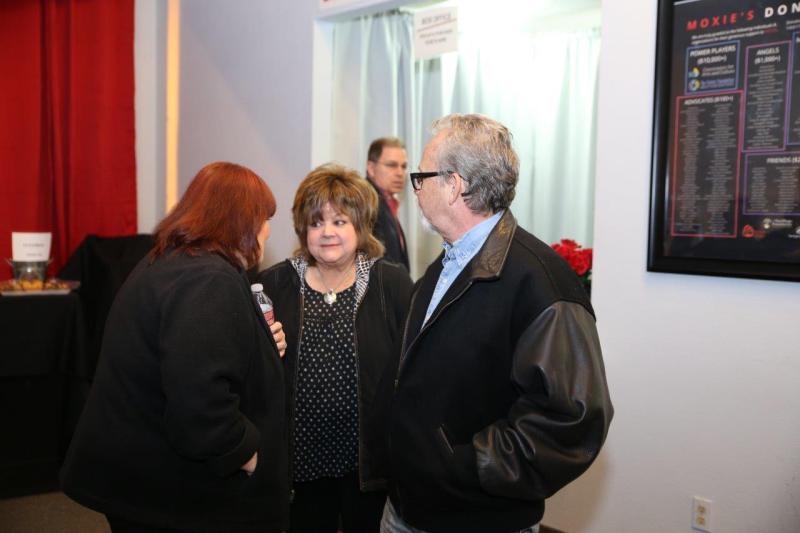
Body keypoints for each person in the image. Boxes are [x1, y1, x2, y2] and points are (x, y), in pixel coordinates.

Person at [382, 115, 614, 533]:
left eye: (421, 176)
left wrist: (465, 465)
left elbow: (573, 421)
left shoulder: (541, 282)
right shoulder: (447, 264)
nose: (415, 189)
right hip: (408, 508)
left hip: (478, 518)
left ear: (453, 185)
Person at [60, 162, 290, 533]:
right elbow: (198, 399)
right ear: (241, 220)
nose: (266, 230)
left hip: (140, 477)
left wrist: (258, 342)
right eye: (264, 218)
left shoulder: (169, 262)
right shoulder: (208, 279)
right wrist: (246, 455)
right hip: (170, 490)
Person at [258, 163, 413, 533]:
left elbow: (410, 371)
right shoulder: (273, 285)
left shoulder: (390, 284)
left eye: (340, 222)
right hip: (299, 465)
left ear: (360, 226)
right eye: (316, 223)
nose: (327, 232)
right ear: (303, 229)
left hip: (366, 466)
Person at [366, 137, 409, 270]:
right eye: (392, 165)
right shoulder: (365, 203)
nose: (400, 173)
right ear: (371, 168)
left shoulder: (386, 201)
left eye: (404, 166)